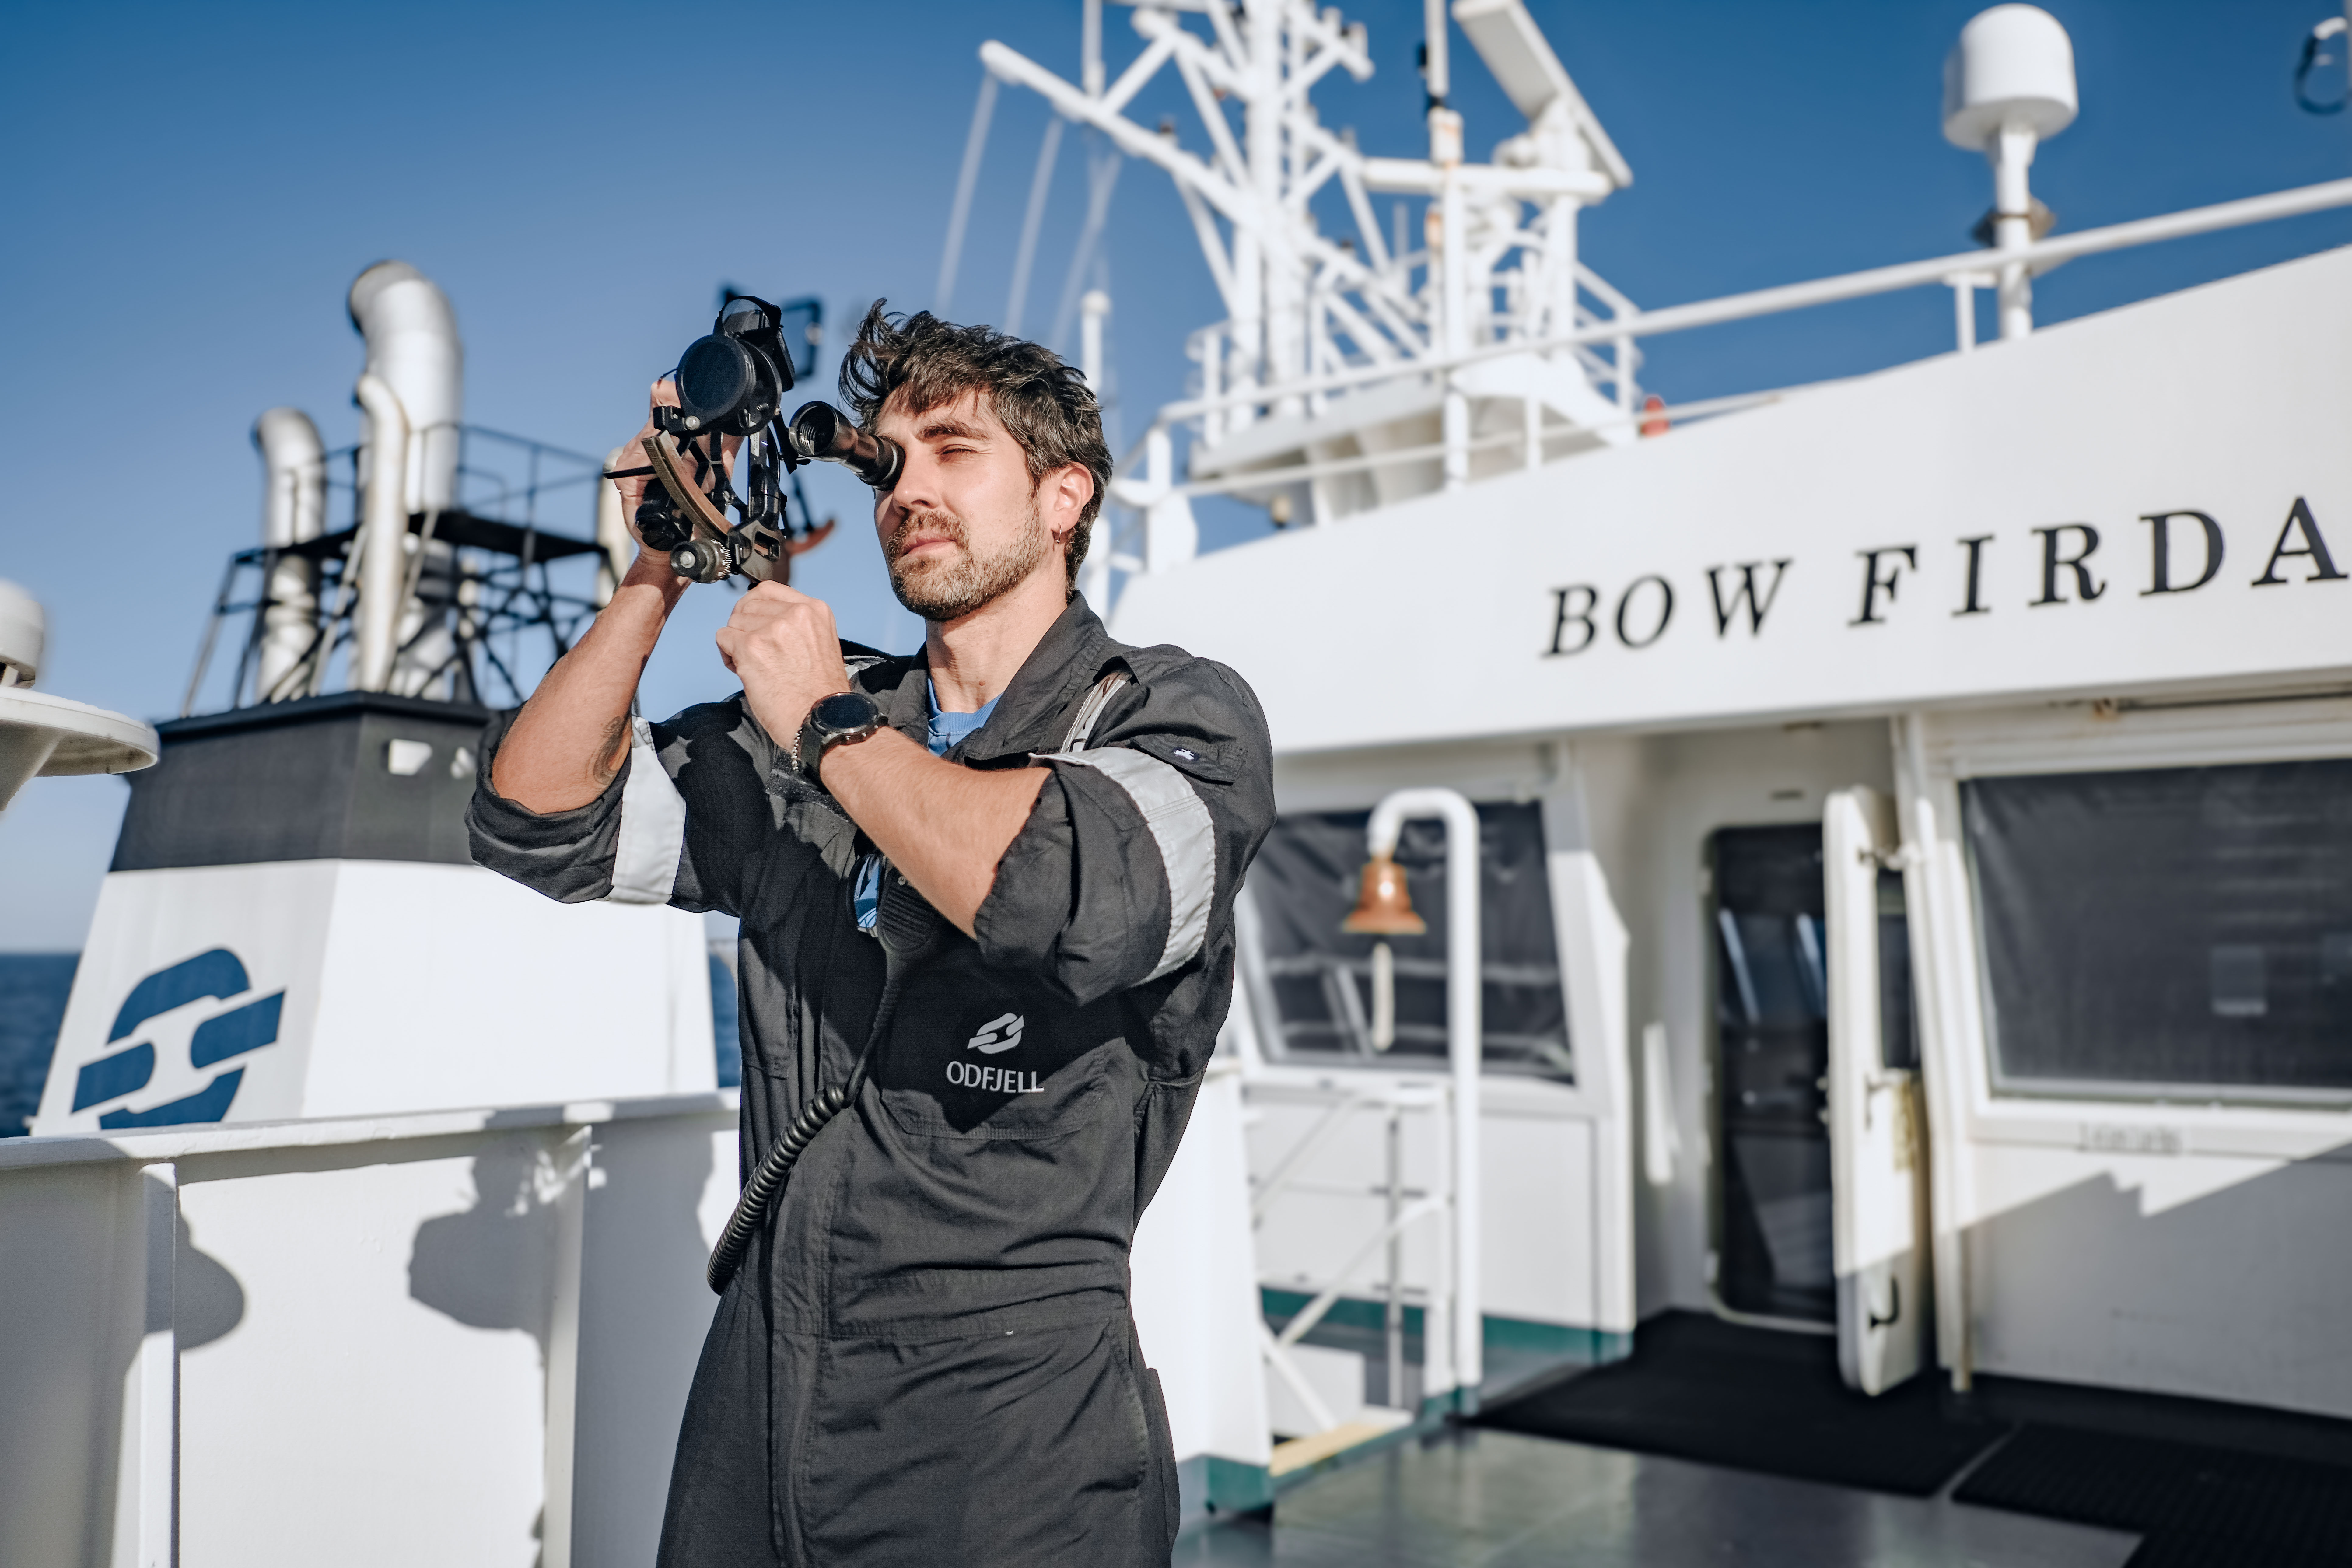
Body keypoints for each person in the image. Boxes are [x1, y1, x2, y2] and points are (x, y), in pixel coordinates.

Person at [467, 303, 1274, 1566]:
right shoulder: (821, 722)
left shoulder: (1175, 713)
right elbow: (537, 816)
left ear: (1065, 497)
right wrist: (661, 564)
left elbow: (1066, 895)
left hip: (1011, 1434)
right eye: (889, 456)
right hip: (760, 1397)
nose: (910, 487)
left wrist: (830, 727)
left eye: (955, 450)